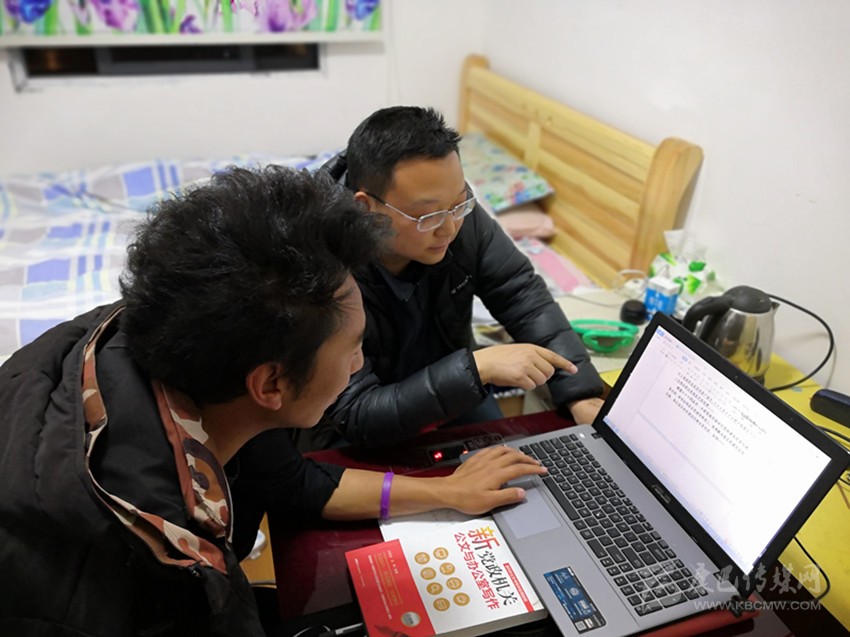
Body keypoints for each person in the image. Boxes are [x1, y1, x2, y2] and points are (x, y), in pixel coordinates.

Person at [0, 165, 548, 637]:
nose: (359, 365)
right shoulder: (147, 559)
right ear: (271, 385)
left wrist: (447, 491)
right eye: (353, 348)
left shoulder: (167, 351)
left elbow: (293, 483)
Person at [317, 106, 606, 450]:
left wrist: (581, 393)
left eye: (459, 202)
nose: (450, 229)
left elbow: (520, 294)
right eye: (428, 215)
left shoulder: (455, 216)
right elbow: (355, 413)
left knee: (515, 459)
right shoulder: (320, 259)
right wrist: (476, 367)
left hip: (454, 389)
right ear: (367, 208)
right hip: (353, 426)